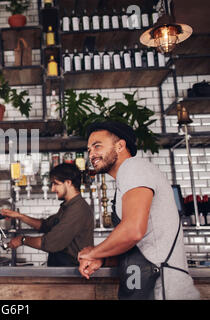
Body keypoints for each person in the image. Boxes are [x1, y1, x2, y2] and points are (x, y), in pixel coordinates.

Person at [78, 121, 200, 300]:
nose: (92, 154)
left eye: (97, 146)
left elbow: (133, 231)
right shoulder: (126, 180)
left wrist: (93, 252)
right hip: (148, 286)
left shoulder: (133, 167)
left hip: (163, 289)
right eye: (89, 150)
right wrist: (102, 259)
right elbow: (138, 246)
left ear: (120, 146)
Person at [1, 163, 94, 266]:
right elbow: (45, 225)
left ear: (68, 182)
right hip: (63, 270)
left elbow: (51, 243)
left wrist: (22, 240)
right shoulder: (68, 206)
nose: (53, 189)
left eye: (56, 184)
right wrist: (20, 216)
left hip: (73, 272)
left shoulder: (78, 209)